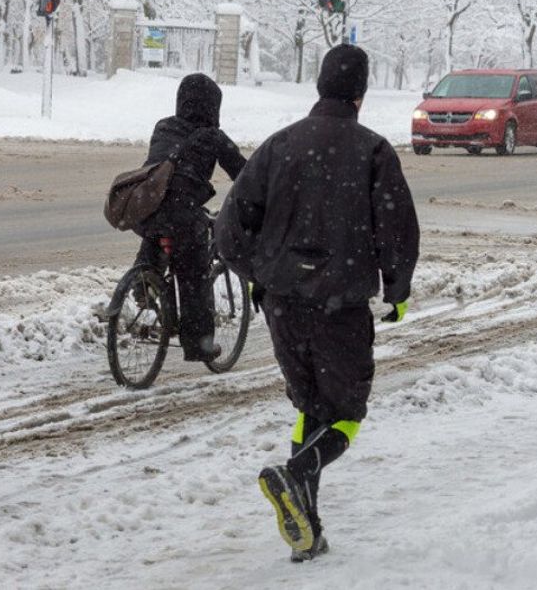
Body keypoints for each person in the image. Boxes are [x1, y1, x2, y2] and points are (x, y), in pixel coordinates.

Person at [214, 44, 419, 561]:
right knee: (348, 412)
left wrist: (259, 277)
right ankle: (298, 472)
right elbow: (397, 229)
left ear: (320, 86)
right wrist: (397, 292)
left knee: (311, 406)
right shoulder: (373, 151)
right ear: (361, 94)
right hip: (341, 306)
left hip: (283, 304)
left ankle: (310, 530)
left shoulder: (278, 146)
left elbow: (229, 227)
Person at [134, 73, 247, 362]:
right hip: (183, 212)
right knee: (193, 274)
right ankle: (199, 344)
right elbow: (244, 175)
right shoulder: (213, 136)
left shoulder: (164, 126)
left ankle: (144, 278)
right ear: (213, 106)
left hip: (145, 205)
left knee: (157, 230)